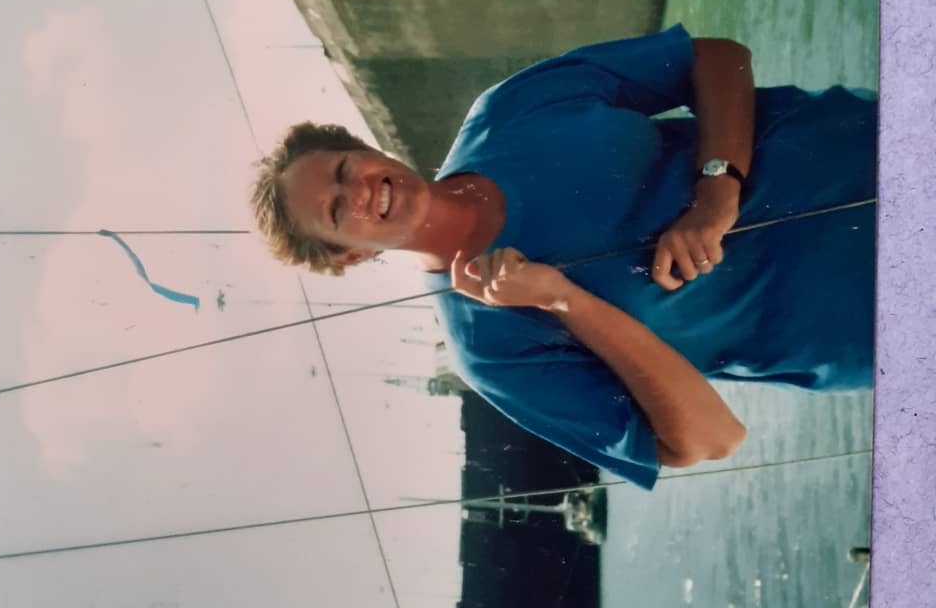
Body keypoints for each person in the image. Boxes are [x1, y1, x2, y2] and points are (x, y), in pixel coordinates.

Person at [250, 25, 876, 489]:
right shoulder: (490, 350)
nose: (360, 191)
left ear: (365, 148)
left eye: (344, 169)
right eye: (337, 211)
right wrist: (564, 301)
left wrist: (717, 189)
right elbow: (710, 438)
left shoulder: (507, 112)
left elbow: (714, 56)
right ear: (349, 257)